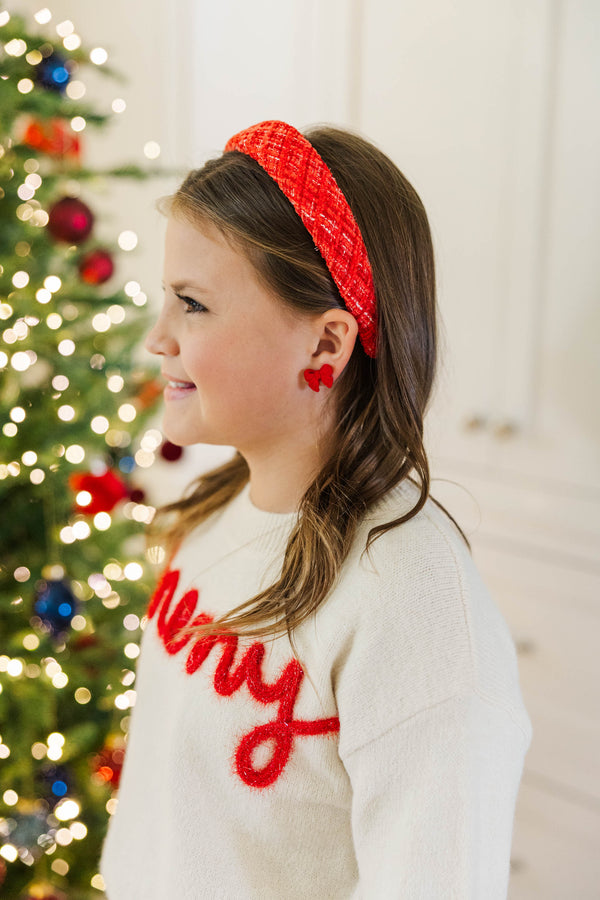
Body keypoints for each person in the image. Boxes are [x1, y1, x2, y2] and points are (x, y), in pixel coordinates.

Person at [99, 120, 532, 899]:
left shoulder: (414, 609)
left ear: (326, 346)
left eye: (193, 305)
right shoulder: (209, 517)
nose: (158, 338)